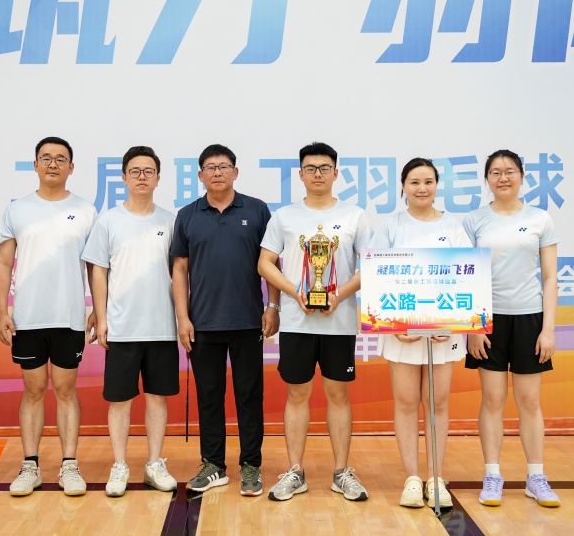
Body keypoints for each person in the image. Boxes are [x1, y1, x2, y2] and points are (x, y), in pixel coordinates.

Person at [257, 142, 372, 502]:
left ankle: (341, 472)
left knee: (338, 394)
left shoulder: (355, 216)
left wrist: (339, 294)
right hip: (297, 322)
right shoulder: (284, 217)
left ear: (336, 173)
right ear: (301, 174)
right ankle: (295, 471)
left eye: (324, 168)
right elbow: (264, 263)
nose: (317, 174)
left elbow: (371, 265)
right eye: (311, 168)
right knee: (297, 394)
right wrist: (295, 293)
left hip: (340, 322)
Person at [171, 144, 279, 497]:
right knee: (209, 396)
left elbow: (271, 263)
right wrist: (182, 317)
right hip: (202, 323)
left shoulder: (257, 210)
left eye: (223, 166)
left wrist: (272, 305)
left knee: (249, 396)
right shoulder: (188, 215)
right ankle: (213, 464)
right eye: (210, 167)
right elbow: (179, 269)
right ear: (200, 175)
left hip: (248, 320)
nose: (217, 172)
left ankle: (251, 465)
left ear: (236, 172)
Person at [0, 137, 98, 497]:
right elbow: (4, 263)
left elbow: (95, 266)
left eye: (61, 159)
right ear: (35, 165)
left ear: (71, 167)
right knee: (34, 389)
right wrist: (2, 312)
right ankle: (30, 466)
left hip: (69, 317)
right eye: (46, 158)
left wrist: (98, 310)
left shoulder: (86, 211)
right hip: (28, 318)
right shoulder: (17, 210)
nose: (53, 164)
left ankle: (69, 465)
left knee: (66, 390)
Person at [368, 158, 470, 509]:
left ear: (437, 185)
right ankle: (412, 478)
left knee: (438, 403)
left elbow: (466, 277)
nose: (422, 188)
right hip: (401, 331)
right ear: (403, 187)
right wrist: (395, 324)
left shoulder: (453, 226)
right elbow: (375, 276)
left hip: (445, 331)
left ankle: (436, 477)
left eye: (428, 181)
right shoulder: (390, 226)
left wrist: (452, 322)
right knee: (407, 402)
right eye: (414, 182)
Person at [464, 149, 560, 508]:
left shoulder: (540, 219)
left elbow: (550, 278)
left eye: (509, 171)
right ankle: (492, 475)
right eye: (495, 172)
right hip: (488, 321)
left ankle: (536, 477)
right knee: (492, 399)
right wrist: (474, 327)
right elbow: (467, 276)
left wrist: (548, 330)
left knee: (529, 401)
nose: (503, 178)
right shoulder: (474, 220)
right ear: (486, 179)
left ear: (521, 175)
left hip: (530, 318)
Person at [82, 146, 179, 497]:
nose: (141, 176)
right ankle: (120, 464)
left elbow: (180, 273)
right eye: (135, 171)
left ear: (158, 178)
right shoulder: (109, 221)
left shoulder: (171, 221)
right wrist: (102, 315)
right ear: (123, 177)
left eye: (148, 171)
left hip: (162, 327)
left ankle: (154, 464)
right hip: (121, 327)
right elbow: (98, 270)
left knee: (157, 398)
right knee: (120, 400)